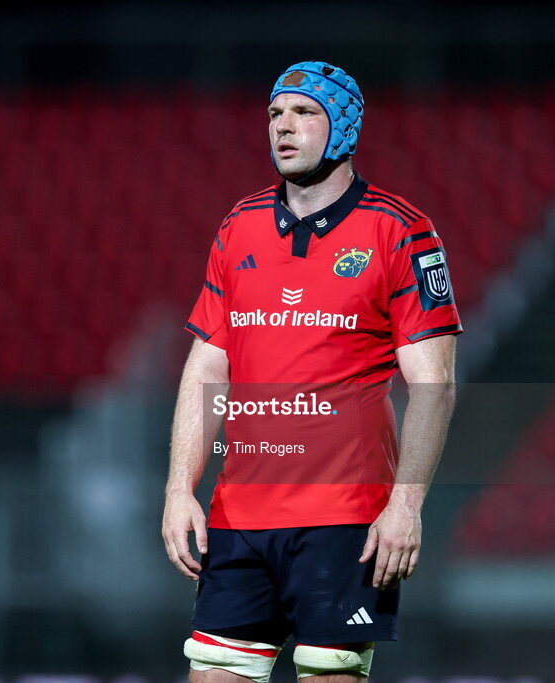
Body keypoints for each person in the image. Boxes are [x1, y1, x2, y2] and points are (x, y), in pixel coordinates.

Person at [162, 60, 462, 681]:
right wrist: (177, 488)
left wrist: (406, 506)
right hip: (239, 520)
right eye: (275, 113)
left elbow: (433, 387)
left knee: (330, 673)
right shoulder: (237, 227)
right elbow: (206, 368)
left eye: (305, 113)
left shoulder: (401, 231)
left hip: (344, 519)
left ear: (345, 127)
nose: (284, 127)